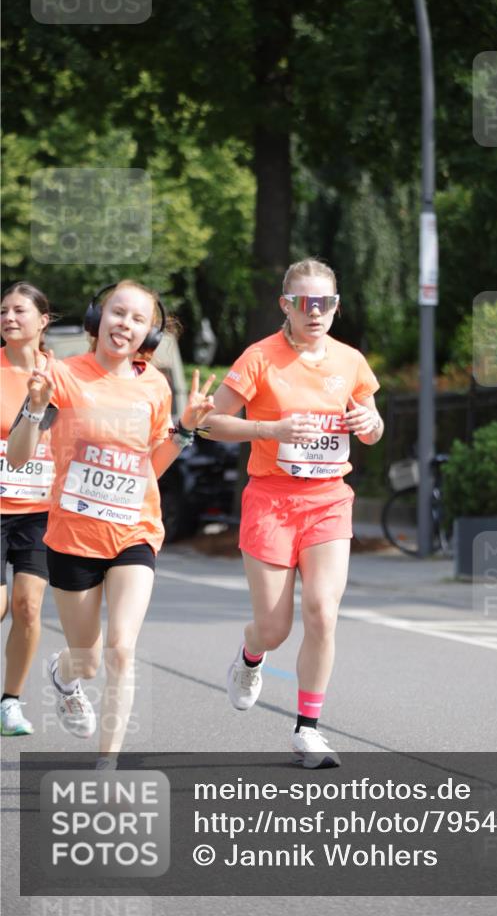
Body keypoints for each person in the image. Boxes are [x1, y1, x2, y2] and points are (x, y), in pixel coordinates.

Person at [7, 280, 215, 766]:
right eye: (118, 313)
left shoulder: (155, 385)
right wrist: (35, 407)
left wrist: (183, 429)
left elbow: (152, 465)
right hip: (72, 536)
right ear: (98, 317)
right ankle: (65, 675)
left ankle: (107, 767)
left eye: (138, 319)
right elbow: (17, 458)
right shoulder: (59, 375)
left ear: (150, 333)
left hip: (134, 531)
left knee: (123, 650)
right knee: (89, 656)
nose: (125, 325)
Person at [203, 259, 383, 768]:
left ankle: (308, 730)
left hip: (328, 498)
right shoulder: (260, 357)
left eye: (325, 303)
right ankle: (250, 656)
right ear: (286, 305)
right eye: (305, 303)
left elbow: (371, 427)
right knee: (275, 627)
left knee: (323, 612)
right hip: (271, 501)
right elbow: (213, 423)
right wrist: (269, 431)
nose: (316, 312)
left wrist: (371, 423)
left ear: (336, 307)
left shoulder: (350, 360)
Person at [1, 283, 55, 736]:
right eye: (3, 312)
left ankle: (10, 702)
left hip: (40, 509)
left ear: (43, 320)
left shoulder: (64, 374)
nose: (9, 318)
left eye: (20, 310)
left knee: (28, 607)